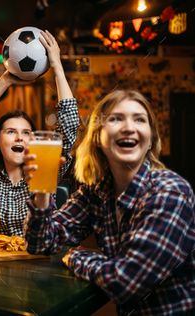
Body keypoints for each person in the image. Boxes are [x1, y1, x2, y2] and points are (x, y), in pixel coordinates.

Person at [24, 90, 195, 315]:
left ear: (151, 137)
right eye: (115, 119)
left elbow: (126, 282)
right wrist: (43, 191)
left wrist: (78, 256)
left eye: (139, 119)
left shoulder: (170, 191)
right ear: (97, 136)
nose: (128, 127)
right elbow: (41, 243)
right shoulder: (97, 190)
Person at [0, 30, 79, 236]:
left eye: (26, 133)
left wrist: (57, 68)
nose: (19, 137)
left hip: (39, 256)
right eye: (10, 131)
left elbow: (69, 125)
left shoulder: (45, 169)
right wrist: (6, 80)